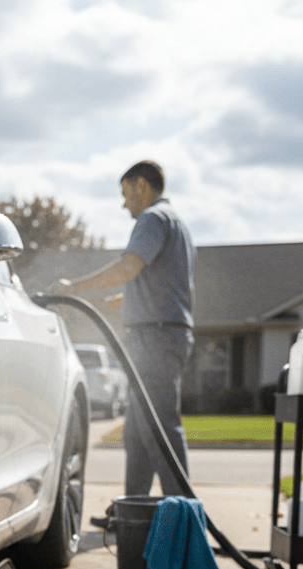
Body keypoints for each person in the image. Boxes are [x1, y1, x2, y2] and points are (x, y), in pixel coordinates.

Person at [52, 160, 195, 515]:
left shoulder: (153, 219)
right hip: (161, 334)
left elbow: (129, 267)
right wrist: (114, 301)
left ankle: (187, 517)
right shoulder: (176, 224)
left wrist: (75, 288)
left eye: (125, 193)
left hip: (156, 339)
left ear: (141, 186)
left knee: (160, 427)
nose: (124, 204)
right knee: (137, 432)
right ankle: (134, 512)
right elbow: (153, 284)